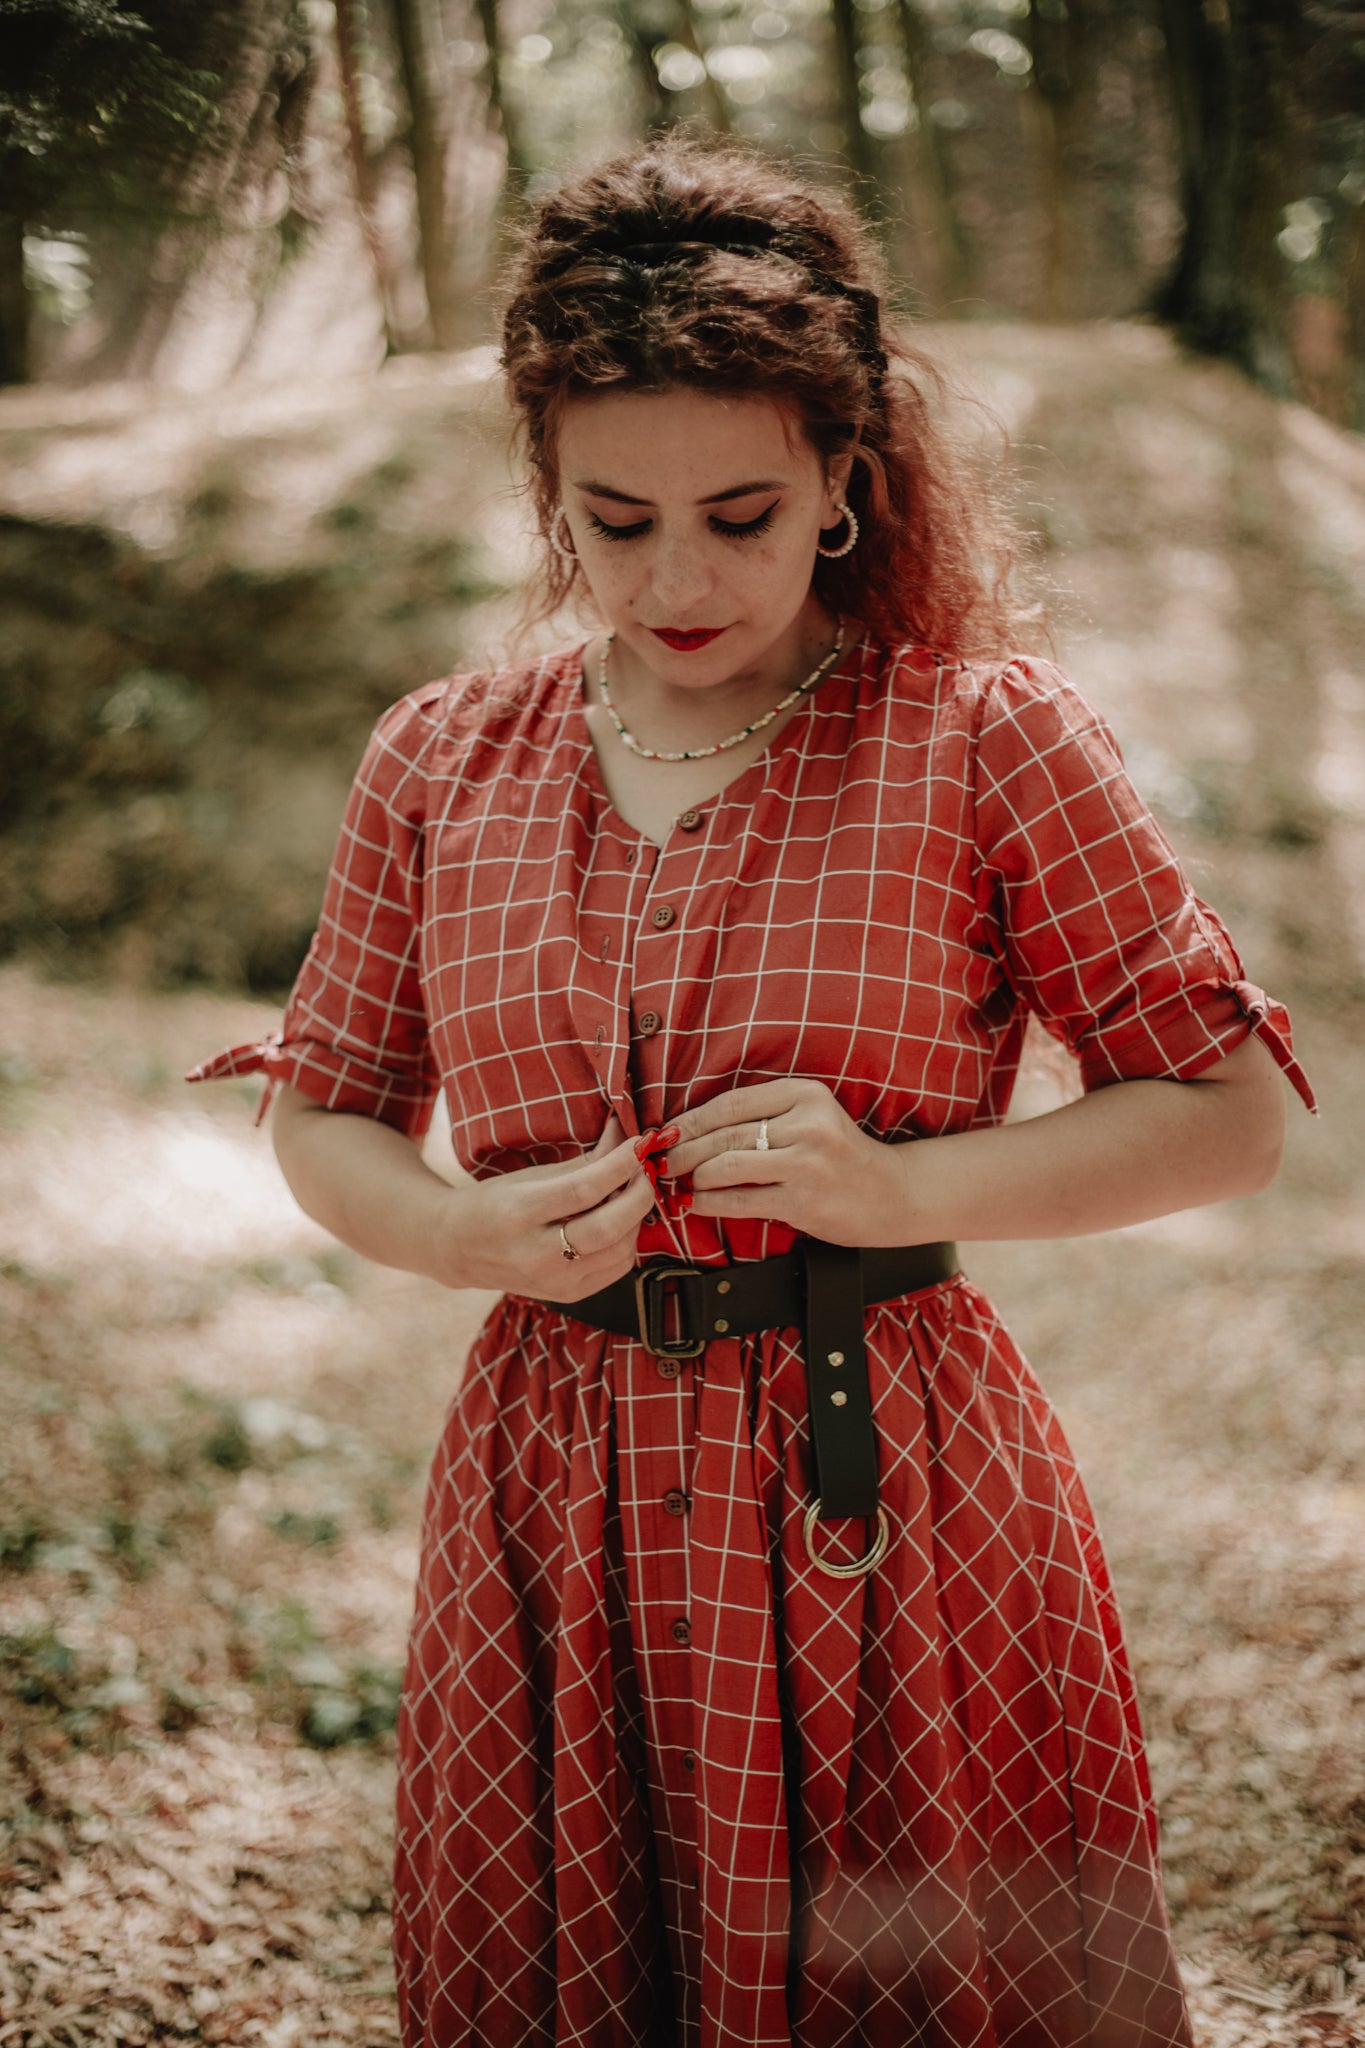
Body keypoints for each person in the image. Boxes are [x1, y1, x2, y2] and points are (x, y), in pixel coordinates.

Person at [190, 132, 1316, 2048]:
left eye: (741, 510)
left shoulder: (981, 735)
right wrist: (452, 1226)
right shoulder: (442, 759)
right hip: (553, 1495)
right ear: (548, 488)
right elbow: (329, 1107)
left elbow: (1227, 1109)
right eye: (614, 520)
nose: (678, 575)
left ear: (842, 481)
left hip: (881, 1478)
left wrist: (899, 1188)